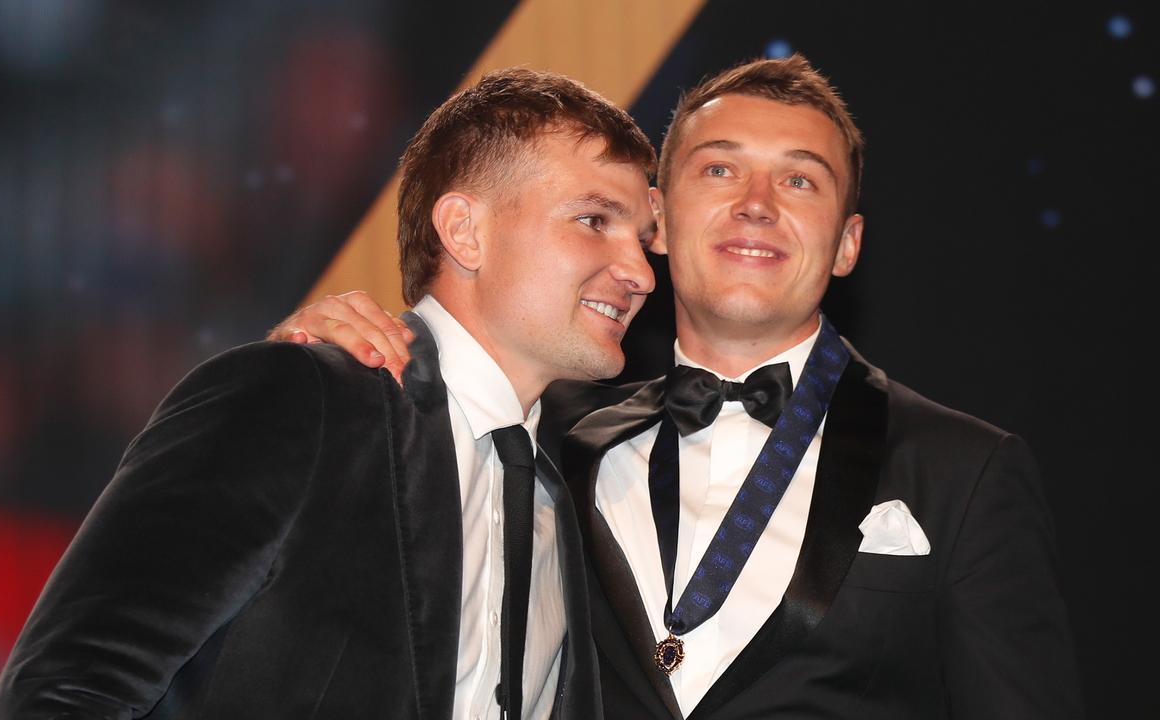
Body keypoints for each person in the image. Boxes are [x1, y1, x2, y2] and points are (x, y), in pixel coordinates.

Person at [272, 54, 1084, 719]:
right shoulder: (547, 444)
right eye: (720, 169)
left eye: (800, 182)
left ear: (847, 244)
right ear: (655, 218)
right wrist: (321, 352)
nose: (757, 205)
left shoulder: (965, 471)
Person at [0, 68, 660, 720]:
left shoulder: (573, 497)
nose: (638, 272)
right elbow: (65, 692)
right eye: (595, 220)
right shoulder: (297, 398)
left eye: (643, 238)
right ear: (465, 231)